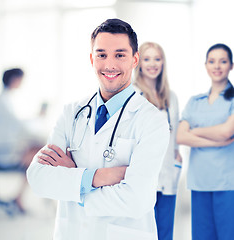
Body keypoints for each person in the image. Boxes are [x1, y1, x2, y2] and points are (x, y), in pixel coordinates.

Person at [27, 18, 170, 240]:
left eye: (120, 55)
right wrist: (101, 177)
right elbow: (38, 179)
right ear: (92, 59)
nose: (109, 65)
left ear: (135, 60)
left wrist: (73, 181)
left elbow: (137, 200)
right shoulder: (70, 113)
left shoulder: (152, 121)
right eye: (102, 55)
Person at [177, 43, 234, 240]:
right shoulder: (195, 102)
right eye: (212, 61)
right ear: (206, 65)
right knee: (202, 236)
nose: (217, 66)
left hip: (227, 183)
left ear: (231, 66)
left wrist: (197, 131)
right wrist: (218, 141)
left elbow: (227, 130)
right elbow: (180, 136)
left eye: (223, 61)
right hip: (200, 182)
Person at [133, 42, 182, 240]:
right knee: (142, 232)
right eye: (147, 59)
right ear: (139, 63)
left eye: (157, 58)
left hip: (168, 172)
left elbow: (176, 132)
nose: (153, 64)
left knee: (165, 231)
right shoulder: (133, 94)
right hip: (143, 174)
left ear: (163, 63)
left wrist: (177, 155)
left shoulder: (171, 96)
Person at [0, 68, 44, 212]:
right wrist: (37, 117)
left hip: (3, 147)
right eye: (20, 79)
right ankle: (19, 197)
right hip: (1, 151)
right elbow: (19, 125)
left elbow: (16, 125)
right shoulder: (3, 101)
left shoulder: (4, 99)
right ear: (13, 79)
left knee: (38, 154)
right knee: (39, 155)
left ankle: (19, 196)